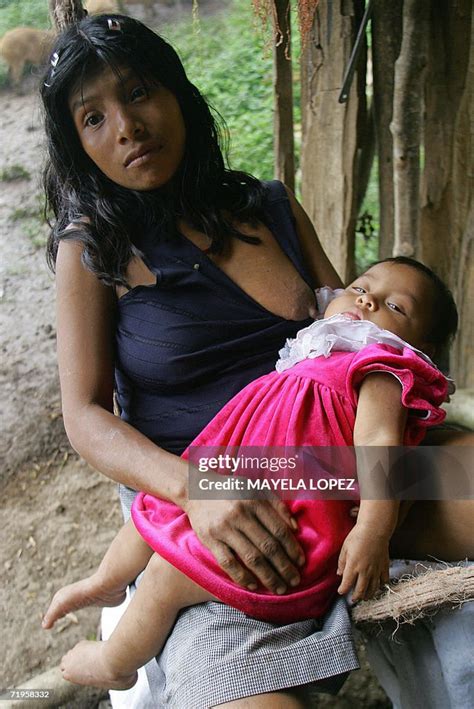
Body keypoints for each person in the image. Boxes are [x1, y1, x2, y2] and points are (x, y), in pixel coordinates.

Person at [39, 12, 472, 709]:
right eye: (94, 118)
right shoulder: (94, 249)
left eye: (140, 91)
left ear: (178, 92)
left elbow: (354, 333)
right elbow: (85, 416)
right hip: (214, 485)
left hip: (338, 465)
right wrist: (193, 489)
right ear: (79, 142)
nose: (126, 126)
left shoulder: (265, 206)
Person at [42, 256, 459, 690]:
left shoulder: (383, 370)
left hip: (292, 521)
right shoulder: (319, 348)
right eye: (361, 286)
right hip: (247, 475)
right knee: (157, 502)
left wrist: (374, 528)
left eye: (396, 307)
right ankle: (105, 582)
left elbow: (379, 446)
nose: (368, 299)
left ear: (420, 350)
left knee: (166, 577)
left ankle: (115, 663)